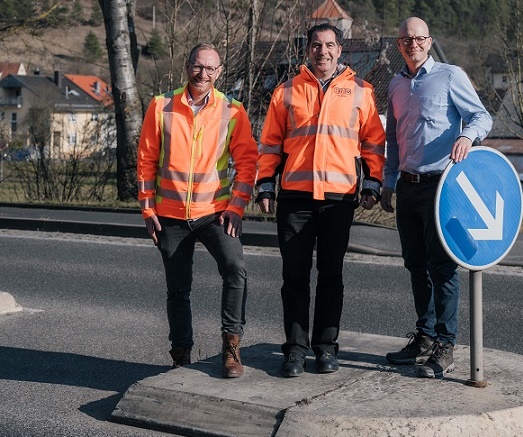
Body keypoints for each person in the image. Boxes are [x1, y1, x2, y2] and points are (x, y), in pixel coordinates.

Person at [256, 23, 386, 377]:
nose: (323, 51)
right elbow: (270, 143)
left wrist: (373, 181)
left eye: (329, 45)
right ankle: (295, 350)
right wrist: (265, 184)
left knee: (331, 275)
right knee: (294, 277)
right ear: (307, 49)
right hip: (294, 198)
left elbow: (373, 142)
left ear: (340, 50)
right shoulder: (286, 91)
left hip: (338, 198)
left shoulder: (361, 91)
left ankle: (326, 348)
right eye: (316, 45)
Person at [137, 43, 258, 378]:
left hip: (215, 213)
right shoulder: (161, 106)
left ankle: (231, 348)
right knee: (178, 289)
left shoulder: (233, 110)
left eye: (210, 68)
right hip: (170, 214)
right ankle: (181, 355)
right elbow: (146, 161)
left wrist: (237, 207)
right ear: (187, 66)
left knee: (235, 268)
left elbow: (248, 163)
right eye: (197, 66)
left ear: (219, 72)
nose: (202, 74)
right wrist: (148, 210)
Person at [381, 17, 492, 378]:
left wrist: (467, 137)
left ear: (429, 41)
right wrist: (388, 181)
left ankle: (446, 344)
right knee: (415, 265)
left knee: (442, 267)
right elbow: (392, 138)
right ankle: (425, 337)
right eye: (405, 39)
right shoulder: (396, 84)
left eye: (418, 38)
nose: (412, 43)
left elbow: (481, 116)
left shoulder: (450, 75)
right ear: (398, 44)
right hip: (407, 186)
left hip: (441, 185)